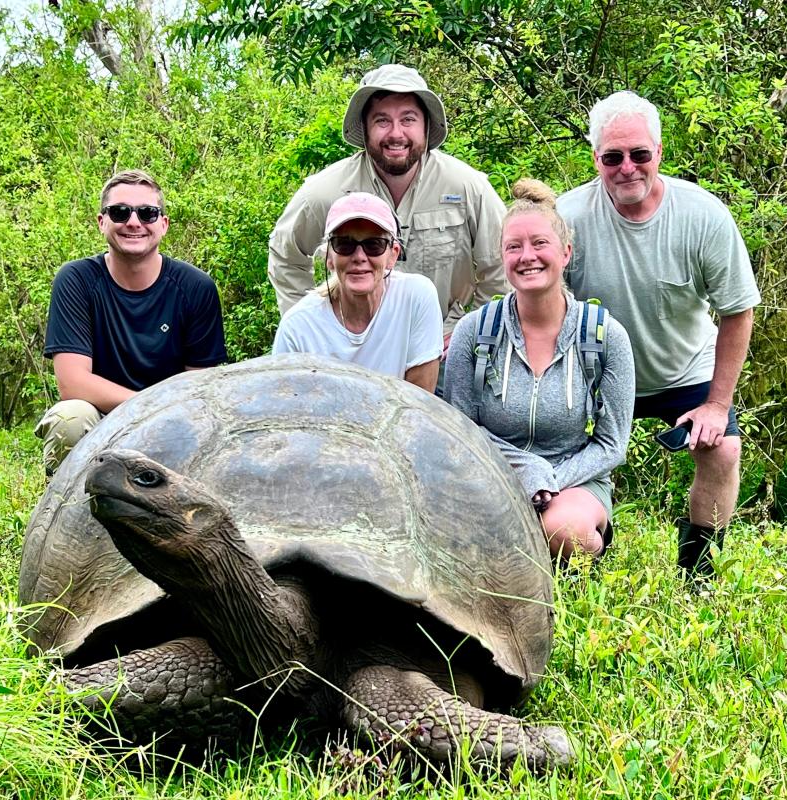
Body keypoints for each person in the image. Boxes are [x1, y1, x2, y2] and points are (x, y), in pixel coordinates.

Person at [557, 91, 761, 580]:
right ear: (596, 159)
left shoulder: (703, 216)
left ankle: (699, 571)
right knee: (553, 453)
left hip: (683, 367)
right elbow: (539, 306)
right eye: (612, 157)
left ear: (659, 153)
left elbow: (738, 311)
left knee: (724, 448)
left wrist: (716, 405)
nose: (627, 167)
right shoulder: (568, 219)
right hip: (597, 373)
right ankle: (588, 544)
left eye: (639, 154)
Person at [445, 179, 634, 560]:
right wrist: (523, 470)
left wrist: (549, 482)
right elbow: (460, 431)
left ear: (566, 252)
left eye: (539, 244)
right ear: (502, 257)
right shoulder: (476, 332)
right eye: (513, 247)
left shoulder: (603, 335)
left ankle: (577, 573)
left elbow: (612, 444)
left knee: (566, 532)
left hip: (574, 479)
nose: (526, 255)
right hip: (492, 475)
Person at [269, 64, 507, 354]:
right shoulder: (325, 191)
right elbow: (285, 255)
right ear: (365, 128)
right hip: (355, 354)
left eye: (408, 119)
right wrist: (317, 328)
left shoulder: (467, 187)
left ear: (426, 127)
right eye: (382, 121)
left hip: (442, 348)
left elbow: (502, 265)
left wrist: (470, 331)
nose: (396, 134)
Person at [36, 169, 227, 474]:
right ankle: (64, 512)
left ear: (163, 225)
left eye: (148, 213)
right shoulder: (77, 280)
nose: (134, 222)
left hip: (171, 423)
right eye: (120, 212)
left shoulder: (195, 288)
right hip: (102, 419)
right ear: (102, 222)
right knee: (69, 418)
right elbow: (72, 383)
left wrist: (158, 417)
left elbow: (197, 391)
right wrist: (146, 408)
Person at [272, 192, 442, 391]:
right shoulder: (298, 327)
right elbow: (287, 406)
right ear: (329, 257)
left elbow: (420, 404)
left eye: (373, 245)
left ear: (393, 255)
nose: (359, 256)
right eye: (345, 244)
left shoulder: (416, 297)